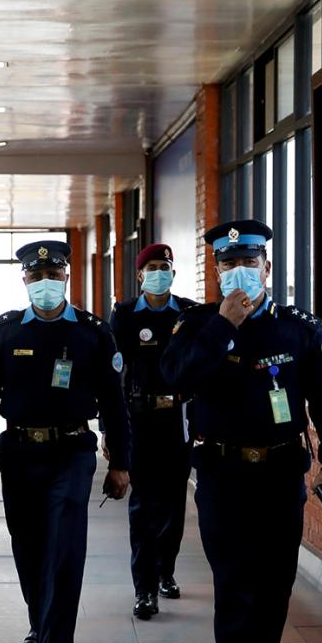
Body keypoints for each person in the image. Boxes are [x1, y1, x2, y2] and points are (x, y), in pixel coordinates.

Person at [161, 219, 322, 643]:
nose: (239, 273)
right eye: (228, 264)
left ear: (267, 268)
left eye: (249, 263)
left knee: (273, 588)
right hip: (221, 476)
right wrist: (223, 327)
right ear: (216, 272)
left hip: (279, 474)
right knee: (234, 590)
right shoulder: (197, 325)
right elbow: (177, 378)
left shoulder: (298, 329)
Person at [0, 239, 131, 643]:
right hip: (19, 454)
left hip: (72, 453)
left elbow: (115, 403)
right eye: (35, 276)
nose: (45, 282)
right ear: (24, 279)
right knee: (28, 547)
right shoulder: (5, 332)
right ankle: (39, 623)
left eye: (53, 275)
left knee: (64, 550)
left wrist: (121, 462)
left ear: (66, 277)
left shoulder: (92, 332)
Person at [108, 243, 196, 620]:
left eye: (166, 266)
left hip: (177, 420)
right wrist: (111, 434)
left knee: (173, 503)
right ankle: (144, 588)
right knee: (142, 505)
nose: (159, 272)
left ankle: (166, 571)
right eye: (152, 267)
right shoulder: (125, 315)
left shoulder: (189, 313)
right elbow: (111, 374)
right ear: (140, 274)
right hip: (138, 418)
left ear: (173, 273)